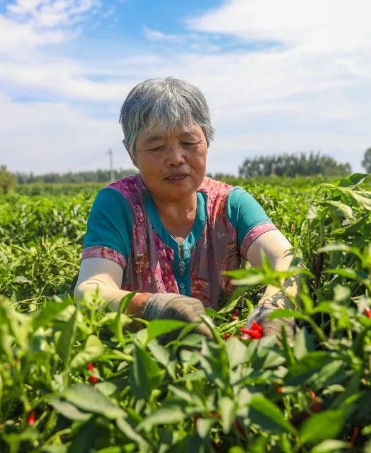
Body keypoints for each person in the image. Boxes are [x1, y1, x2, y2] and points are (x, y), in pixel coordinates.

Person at [74, 77, 299, 342]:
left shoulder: (230, 205)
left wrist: (274, 309)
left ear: (207, 142)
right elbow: (91, 289)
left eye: (189, 142)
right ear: (132, 154)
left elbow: (287, 260)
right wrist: (151, 308)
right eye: (156, 147)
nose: (175, 159)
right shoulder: (118, 205)